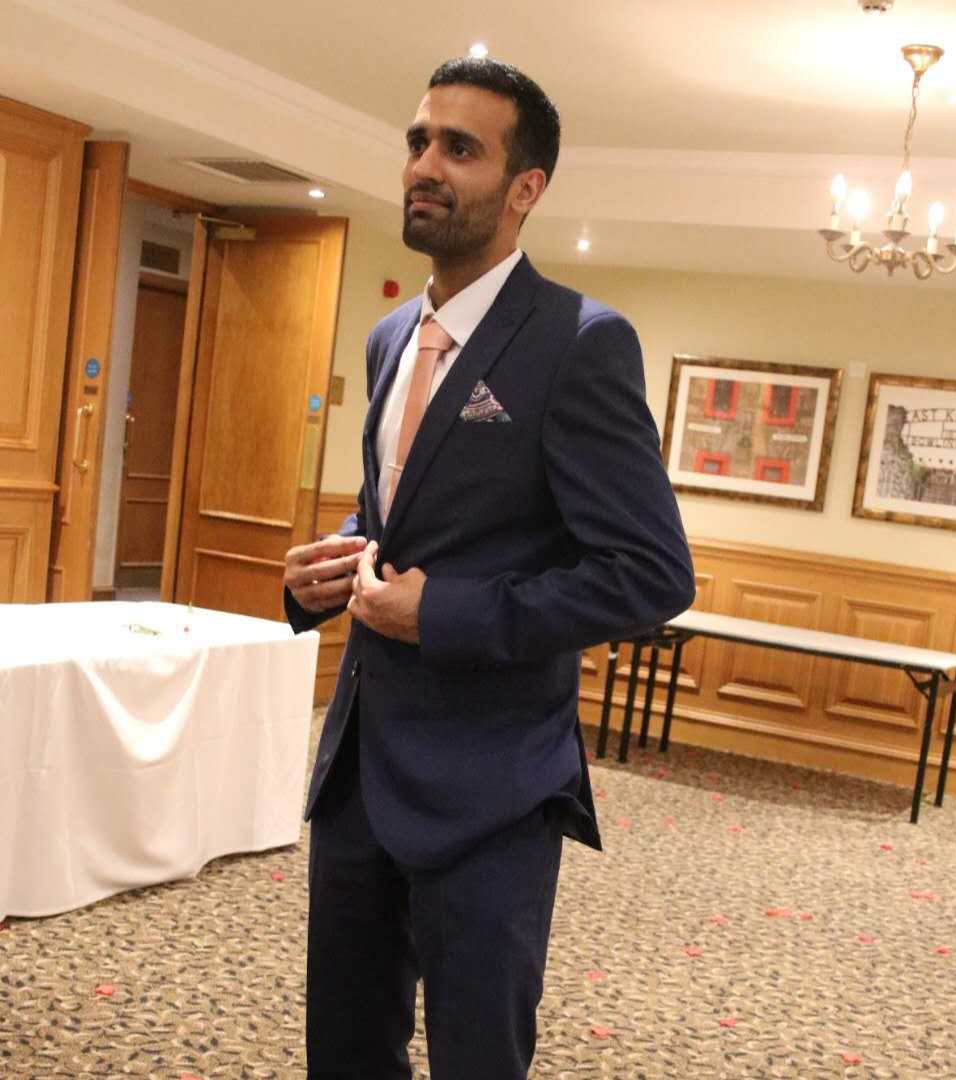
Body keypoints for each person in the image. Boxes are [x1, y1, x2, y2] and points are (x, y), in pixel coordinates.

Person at [282, 56, 695, 1080]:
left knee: (477, 1059)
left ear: (525, 188)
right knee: (344, 1050)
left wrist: (446, 614)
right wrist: (330, 565)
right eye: (419, 141)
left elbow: (651, 573)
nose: (426, 165)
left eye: (460, 149)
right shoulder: (389, 337)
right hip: (359, 770)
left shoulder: (580, 343)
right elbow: (406, 510)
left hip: (492, 788)